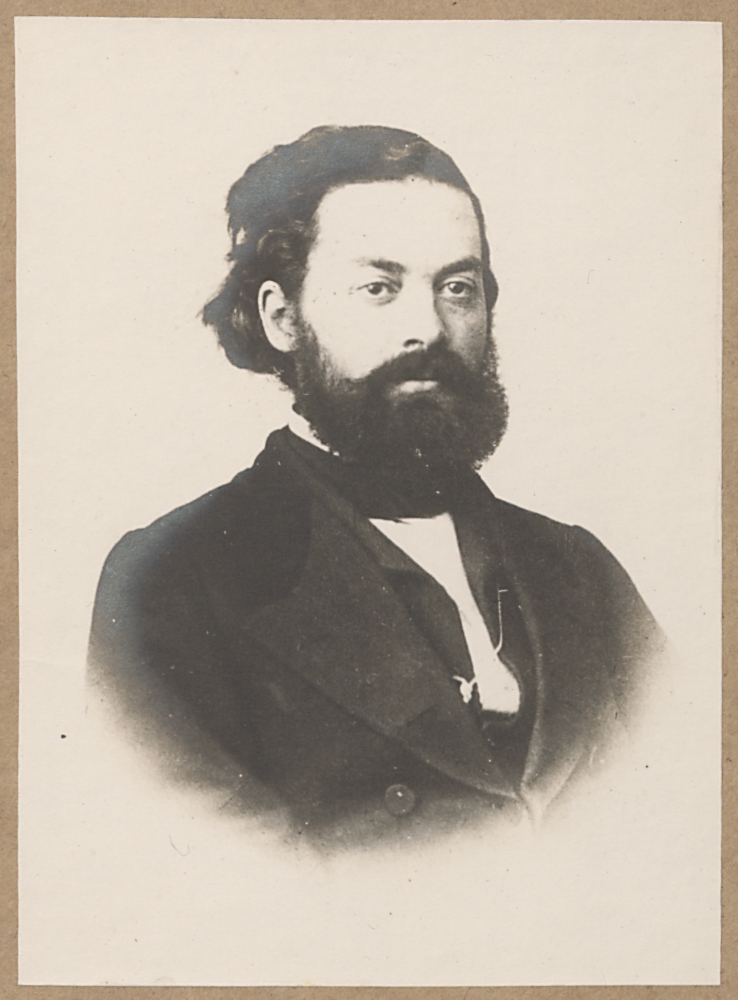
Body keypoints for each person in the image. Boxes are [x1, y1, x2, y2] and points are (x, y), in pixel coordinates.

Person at [88, 125, 665, 845]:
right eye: (379, 288)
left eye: (457, 288)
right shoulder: (175, 579)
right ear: (282, 318)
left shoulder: (579, 570)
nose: (429, 328)